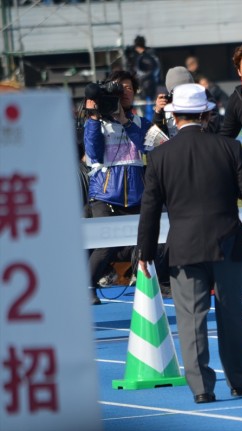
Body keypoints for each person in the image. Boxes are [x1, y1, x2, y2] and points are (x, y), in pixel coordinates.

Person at [136, 83, 242, 404]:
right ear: (206, 114)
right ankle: (240, 379)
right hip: (227, 241)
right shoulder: (229, 148)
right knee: (232, 316)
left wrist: (144, 251)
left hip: (184, 247)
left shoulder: (159, 157)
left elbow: (150, 209)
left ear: (174, 116)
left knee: (190, 320)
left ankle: (201, 387)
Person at [84, 70, 152, 305]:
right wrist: (93, 117)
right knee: (106, 243)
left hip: (135, 194)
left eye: (129, 88)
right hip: (104, 193)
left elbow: (152, 146)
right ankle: (87, 285)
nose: (124, 93)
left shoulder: (142, 122)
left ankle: (153, 283)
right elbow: (92, 153)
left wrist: (125, 122)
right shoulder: (97, 123)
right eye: (119, 88)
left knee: (150, 239)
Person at [131, 35, 161, 120]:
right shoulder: (151, 55)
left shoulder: (144, 57)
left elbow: (148, 72)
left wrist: (139, 79)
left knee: (147, 110)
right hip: (148, 87)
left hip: (146, 87)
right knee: (147, 108)